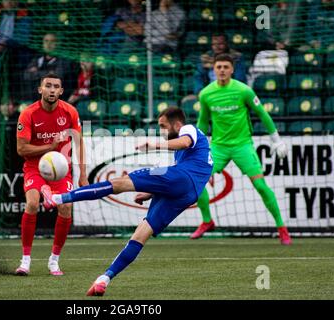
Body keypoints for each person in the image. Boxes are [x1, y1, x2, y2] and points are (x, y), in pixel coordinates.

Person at [42, 107, 213, 296]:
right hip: (188, 192)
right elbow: (179, 171)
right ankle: (104, 279)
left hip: (183, 178)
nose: (161, 131)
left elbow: (184, 142)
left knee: (117, 184)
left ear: (177, 124)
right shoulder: (186, 154)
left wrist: (154, 144)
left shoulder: (188, 129)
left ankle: (57, 198)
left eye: (163, 126)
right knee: (141, 233)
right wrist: (148, 193)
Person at [192, 53, 292, 245]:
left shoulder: (244, 90)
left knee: (261, 186)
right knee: (196, 182)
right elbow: (203, 122)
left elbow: (262, 114)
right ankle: (207, 221)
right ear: (214, 69)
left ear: (232, 69)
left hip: (243, 145)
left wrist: (276, 140)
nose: (222, 70)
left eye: (225, 67)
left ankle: (282, 228)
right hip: (218, 147)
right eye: (218, 67)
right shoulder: (206, 94)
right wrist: (196, 144)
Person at [15, 72, 88, 276]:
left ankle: (54, 261)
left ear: (61, 91)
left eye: (56, 86)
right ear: (40, 89)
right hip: (35, 167)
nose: (52, 90)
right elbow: (21, 150)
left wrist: (83, 174)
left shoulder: (70, 111)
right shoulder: (28, 114)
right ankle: (25, 261)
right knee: (31, 203)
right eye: (48, 86)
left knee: (66, 207)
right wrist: (51, 146)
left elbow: (79, 143)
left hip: (61, 169)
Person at [22, 33, 76, 101]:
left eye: (52, 41)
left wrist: (36, 72)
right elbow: (26, 75)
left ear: (58, 44)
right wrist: (48, 72)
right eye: (46, 41)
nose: (48, 44)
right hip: (35, 100)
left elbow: (57, 76)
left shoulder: (63, 61)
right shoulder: (37, 59)